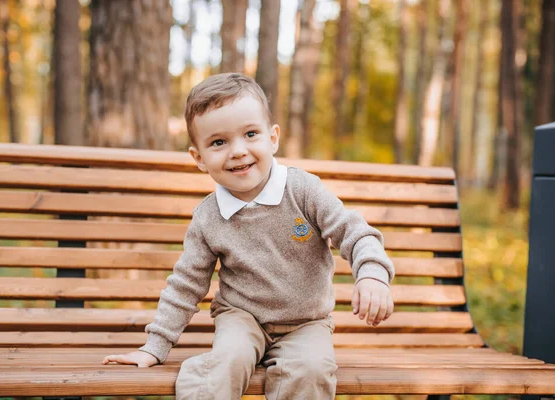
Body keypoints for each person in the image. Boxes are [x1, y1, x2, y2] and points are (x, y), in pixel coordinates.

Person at [102, 73, 395, 399]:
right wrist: (154, 347)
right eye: (218, 142)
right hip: (241, 317)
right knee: (231, 358)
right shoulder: (208, 217)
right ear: (198, 158)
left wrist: (373, 275)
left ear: (273, 139)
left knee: (310, 370)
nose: (238, 151)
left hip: (306, 322)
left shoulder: (303, 190)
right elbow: (186, 284)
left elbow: (355, 231)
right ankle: (203, 382)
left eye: (250, 134)